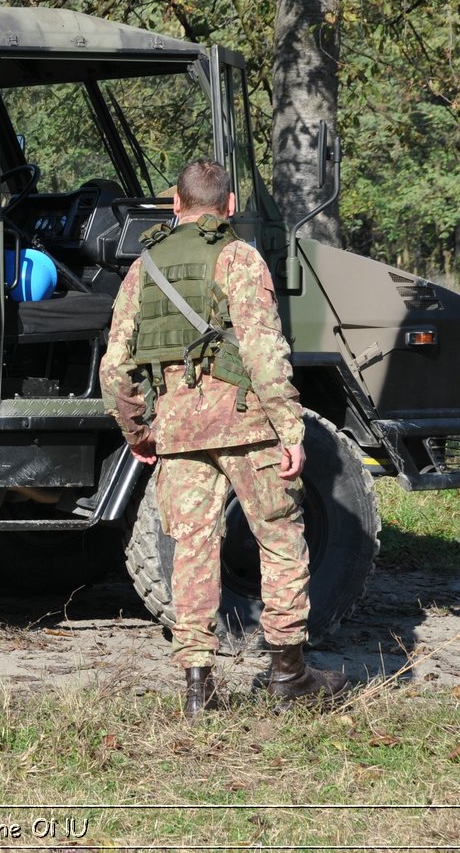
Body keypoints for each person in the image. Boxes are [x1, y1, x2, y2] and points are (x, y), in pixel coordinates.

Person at [99, 158, 350, 718]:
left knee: (191, 550)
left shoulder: (144, 267)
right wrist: (291, 428)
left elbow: (115, 369)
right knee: (280, 539)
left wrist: (137, 430)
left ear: (175, 205)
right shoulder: (239, 257)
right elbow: (264, 351)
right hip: (245, 425)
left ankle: (197, 686)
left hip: (178, 433)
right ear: (230, 206)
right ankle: (288, 674)